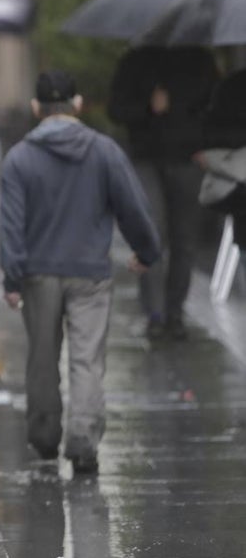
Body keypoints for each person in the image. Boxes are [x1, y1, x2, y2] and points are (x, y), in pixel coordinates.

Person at [1, 71, 160, 475]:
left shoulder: (19, 158)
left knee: (41, 358)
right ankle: (83, 442)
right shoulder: (104, 151)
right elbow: (132, 206)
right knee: (87, 360)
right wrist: (147, 251)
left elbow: (11, 225)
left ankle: (43, 437)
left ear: (36, 108)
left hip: (38, 274)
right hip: (90, 271)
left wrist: (11, 276)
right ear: (78, 103)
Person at [107, 46, 218, 340]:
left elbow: (214, 108)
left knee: (185, 241)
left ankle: (175, 312)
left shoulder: (199, 59)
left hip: (187, 160)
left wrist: (206, 144)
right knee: (151, 234)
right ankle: (155, 314)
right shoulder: (136, 60)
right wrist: (148, 107)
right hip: (147, 160)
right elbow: (116, 108)